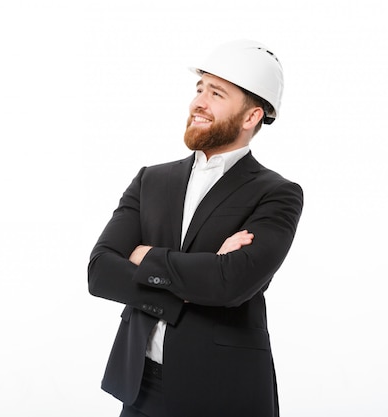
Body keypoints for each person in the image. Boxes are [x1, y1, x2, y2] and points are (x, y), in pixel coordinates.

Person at [88, 39, 304, 417]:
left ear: (251, 117)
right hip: (139, 386)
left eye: (216, 93)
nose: (198, 103)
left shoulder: (277, 194)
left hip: (222, 392)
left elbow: (231, 284)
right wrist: (201, 275)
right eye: (199, 89)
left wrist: (143, 256)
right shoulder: (150, 180)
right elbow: (101, 271)